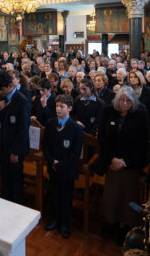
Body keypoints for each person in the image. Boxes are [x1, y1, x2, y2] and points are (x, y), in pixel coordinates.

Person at [99, 86, 149, 244]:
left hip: (131, 164)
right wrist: (113, 159)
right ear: (117, 100)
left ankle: (125, 227)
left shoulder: (141, 114)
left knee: (128, 197)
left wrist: (125, 161)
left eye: (129, 101)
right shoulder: (108, 111)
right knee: (112, 196)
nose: (125, 103)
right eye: (122, 100)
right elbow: (103, 138)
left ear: (133, 102)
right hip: (112, 163)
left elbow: (142, 143)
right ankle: (111, 223)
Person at [42, 94, 83, 239]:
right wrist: (52, 161)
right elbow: (45, 145)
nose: (58, 109)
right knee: (54, 194)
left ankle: (65, 223)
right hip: (53, 167)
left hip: (67, 169)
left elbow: (75, 153)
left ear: (70, 108)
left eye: (62, 106)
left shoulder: (76, 128)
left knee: (66, 197)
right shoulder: (50, 123)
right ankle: (54, 219)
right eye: (57, 106)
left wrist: (60, 165)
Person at [0, 70, 31, 204]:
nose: (0, 92)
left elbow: (23, 128)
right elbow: (1, 120)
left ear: (10, 86)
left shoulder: (22, 101)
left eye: (2, 89)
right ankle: (5, 203)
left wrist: (16, 151)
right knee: (5, 177)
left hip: (16, 148)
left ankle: (16, 206)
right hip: (4, 145)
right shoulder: (3, 98)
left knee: (15, 179)